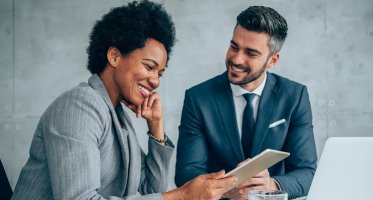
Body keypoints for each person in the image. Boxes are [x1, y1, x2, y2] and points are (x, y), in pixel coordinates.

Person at [11, 1, 237, 199]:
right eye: (149, 67)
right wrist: (183, 196)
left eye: (160, 73)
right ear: (114, 56)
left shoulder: (117, 116)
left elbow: (150, 191)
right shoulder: (79, 106)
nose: (156, 81)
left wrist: (156, 127)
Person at [175, 5, 318, 200]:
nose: (236, 59)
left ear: (272, 60)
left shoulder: (295, 96)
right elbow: (186, 173)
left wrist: (270, 185)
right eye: (234, 46)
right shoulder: (198, 98)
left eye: (250, 53)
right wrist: (228, 188)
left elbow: (307, 172)